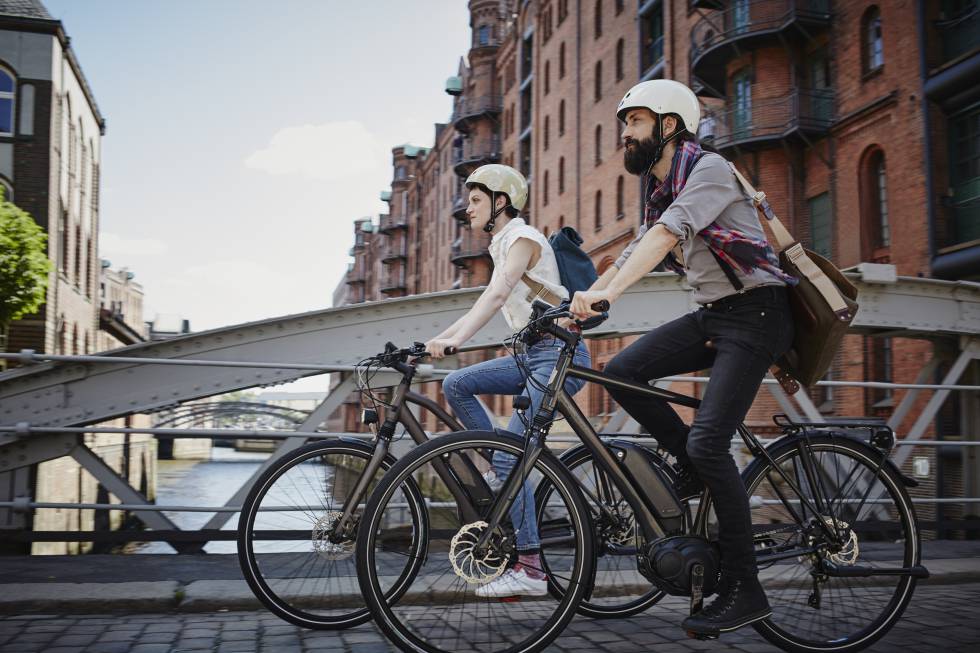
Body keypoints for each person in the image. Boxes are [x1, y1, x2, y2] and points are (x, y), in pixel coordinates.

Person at [569, 79, 796, 636]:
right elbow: (634, 246)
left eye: (636, 122)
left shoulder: (710, 171)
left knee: (710, 439)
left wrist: (609, 296)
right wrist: (581, 298)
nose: (625, 133)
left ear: (670, 126)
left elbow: (667, 236)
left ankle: (745, 587)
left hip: (759, 312)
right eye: (626, 124)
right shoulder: (662, 184)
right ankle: (692, 466)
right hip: (717, 314)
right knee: (622, 370)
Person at [425, 163, 591, 598]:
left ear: (502, 202)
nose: (468, 208)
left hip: (558, 357)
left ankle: (532, 570)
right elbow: (491, 297)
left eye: (477, 200)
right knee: (456, 384)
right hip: (531, 355)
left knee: (510, 458)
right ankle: (500, 468)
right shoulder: (502, 243)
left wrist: (455, 339)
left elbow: (496, 295)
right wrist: (438, 340)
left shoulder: (522, 239)